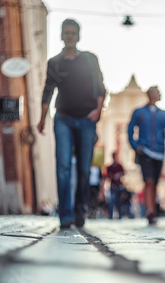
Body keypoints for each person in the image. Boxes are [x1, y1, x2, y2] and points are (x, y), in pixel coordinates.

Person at [37, 19, 106, 229]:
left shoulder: (89, 59)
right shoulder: (54, 62)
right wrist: (42, 119)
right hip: (63, 119)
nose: (69, 36)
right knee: (63, 167)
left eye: (73, 33)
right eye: (66, 32)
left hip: (87, 119)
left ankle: (79, 209)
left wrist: (98, 110)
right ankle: (65, 215)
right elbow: (48, 91)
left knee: (84, 169)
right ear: (61, 35)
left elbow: (101, 87)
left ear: (78, 36)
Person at [128, 86, 165, 225]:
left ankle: (151, 207)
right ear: (151, 94)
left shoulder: (164, 114)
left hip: (159, 152)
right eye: (157, 92)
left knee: (155, 182)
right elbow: (130, 130)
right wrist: (136, 146)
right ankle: (150, 211)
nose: (159, 94)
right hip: (145, 151)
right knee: (149, 181)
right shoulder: (139, 112)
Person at [107, 152, 125, 219]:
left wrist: (118, 175)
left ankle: (120, 215)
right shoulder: (109, 167)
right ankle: (110, 215)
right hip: (112, 186)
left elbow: (123, 173)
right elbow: (107, 175)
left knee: (119, 201)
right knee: (111, 200)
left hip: (119, 186)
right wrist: (113, 176)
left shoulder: (119, 166)